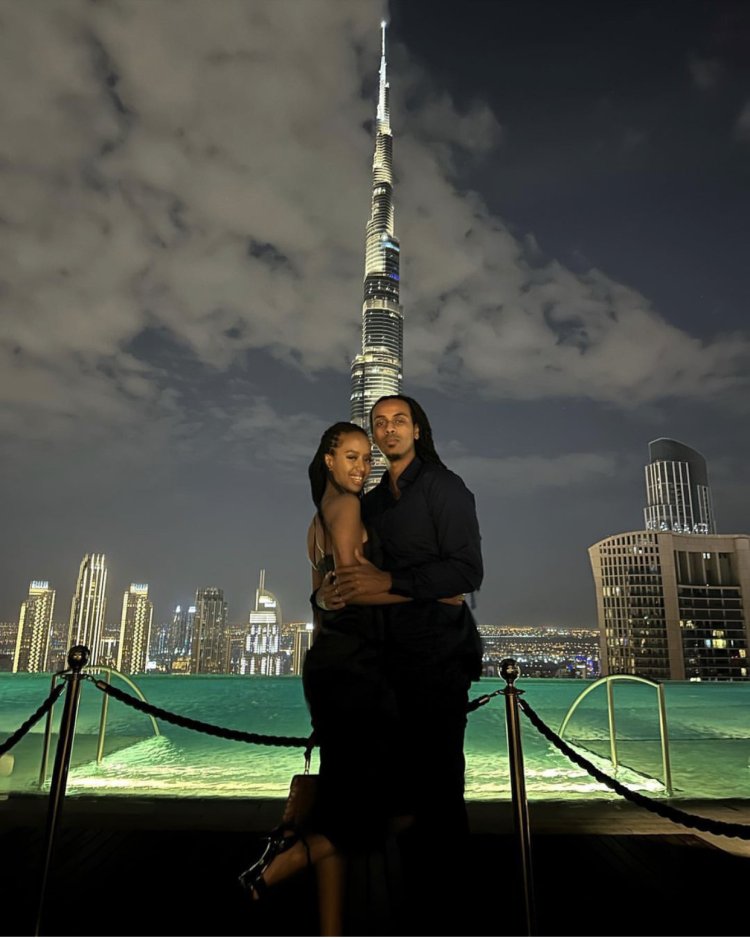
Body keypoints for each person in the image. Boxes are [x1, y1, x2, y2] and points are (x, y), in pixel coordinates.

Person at [317, 395, 483, 924]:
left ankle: (446, 915)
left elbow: (466, 574)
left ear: (417, 429)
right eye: (379, 423)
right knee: (395, 794)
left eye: (399, 421)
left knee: (439, 794)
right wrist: (323, 596)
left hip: (438, 658)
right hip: (383, 664)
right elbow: (343, 570)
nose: (389, 430)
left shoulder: (443, 487)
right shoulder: (371, 503)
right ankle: (396, 909)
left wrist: (392, 581)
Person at [239, 421, 408, 936]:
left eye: (367, 458)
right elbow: (355, 585)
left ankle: (330, 930)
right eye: (351, 456)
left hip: (329, 664)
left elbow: (322, 600)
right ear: (328, 461)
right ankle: (276, 868)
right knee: (404, 801)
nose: (362, 467)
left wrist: (324, 599)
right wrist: (426, 589)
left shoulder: (316, 521)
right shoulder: (348, 508)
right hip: (357, 669)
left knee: (337, 806)